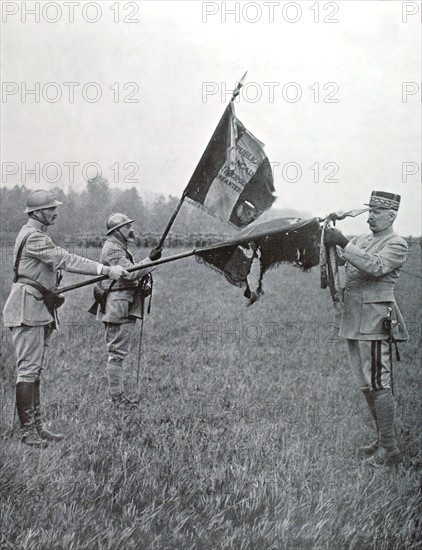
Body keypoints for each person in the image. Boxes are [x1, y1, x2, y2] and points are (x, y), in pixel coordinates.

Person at [3, 190, 129, 447]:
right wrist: (106, 269)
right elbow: (65, 259)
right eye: (50, 209)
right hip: (27, 308)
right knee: (28, 370)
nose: (55, 212)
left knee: (35, 369)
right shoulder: (34, 237)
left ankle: (37, 426)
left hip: (37, 307)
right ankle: (27, 432)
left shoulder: (35, 234)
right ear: (37, 213)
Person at [324, 191, 408, 467]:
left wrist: (344, 242)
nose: (370, 217)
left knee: (378, 382)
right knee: (365, 383)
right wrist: (326, 241)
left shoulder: (396, 244)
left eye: (376, 212)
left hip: (375, 320)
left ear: (391, 216)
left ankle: (389, 449)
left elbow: (375, 267)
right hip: (352, 319)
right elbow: (340, 263)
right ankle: (383, 439)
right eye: (369, 211)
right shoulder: (362, 240)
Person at [92, 213, 161, 407]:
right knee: (117, 353)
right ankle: (117, 398)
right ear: (116, 231)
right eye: (126, 227)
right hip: (118, 306)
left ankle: (118, 397)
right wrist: (150, 259)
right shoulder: (113, 248)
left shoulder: (119, 247)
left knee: (118, 352)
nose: (131, 230)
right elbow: (128, 274)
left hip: (122, 303)